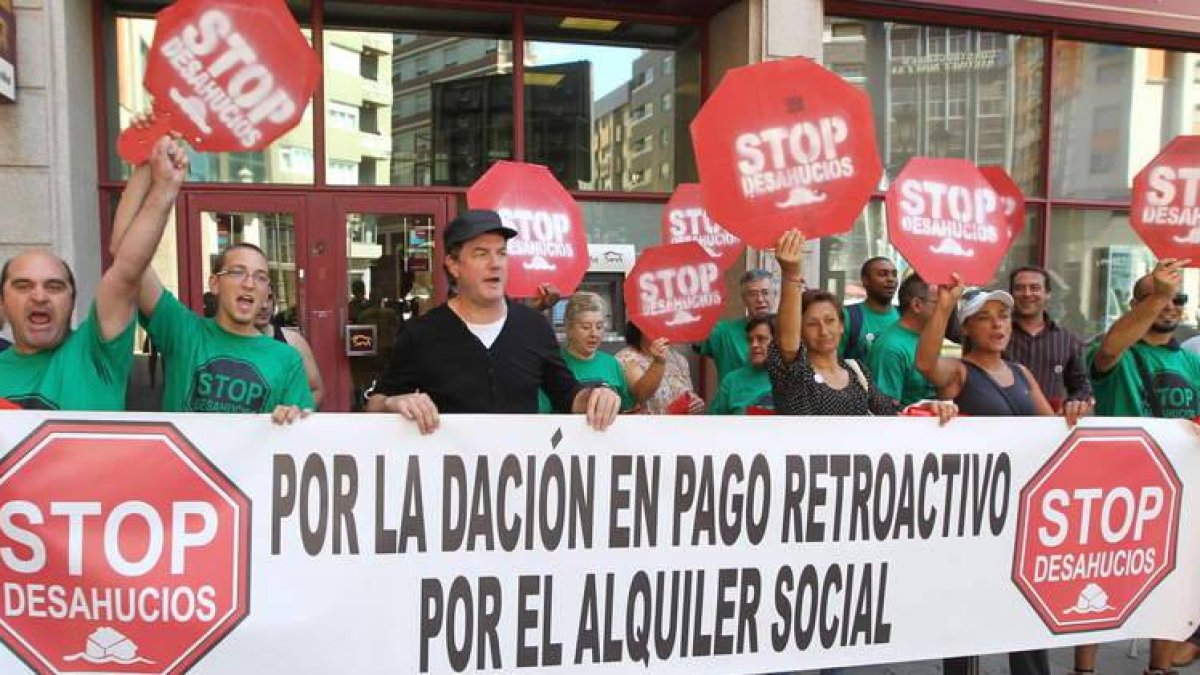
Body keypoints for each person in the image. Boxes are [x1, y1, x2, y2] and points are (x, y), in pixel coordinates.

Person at [916, 275, 1070, 675]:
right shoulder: (961, 373)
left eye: (1003, 316)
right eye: (985, 318)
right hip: (976, 514)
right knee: (969, 611)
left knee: (1027, 607)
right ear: (966, 328)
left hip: (1024, 510)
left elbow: (1052, 431)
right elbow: (926, 363)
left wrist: (1072, 415)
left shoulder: (1021, 372)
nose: (998, 325)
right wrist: (944, 306)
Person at [109, 125, 313, 424]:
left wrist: (294, 417)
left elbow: (303, 433)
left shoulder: (287, 359)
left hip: (248, 472)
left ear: (267, 292)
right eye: (238, 272)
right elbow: (124, 254)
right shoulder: (182, 331)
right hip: (184, 471)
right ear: (214, 283)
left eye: (259, 277)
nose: (249, 283)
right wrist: (147, 167)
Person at [365, 209, 621, 433]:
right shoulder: (422, 333)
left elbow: (567, 395)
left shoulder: (534, 327)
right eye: (481, 254)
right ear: (453, 265)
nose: (495, 264)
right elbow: (375, 405)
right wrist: (393, 403)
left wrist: (595, 396)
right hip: (449, 482)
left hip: (521, 479)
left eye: (501, 253)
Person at [0, 135, 184, 410]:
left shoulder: (97, 353)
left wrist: (163, 190)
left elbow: (127, 271)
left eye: (54, 286)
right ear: (2, 302)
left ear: (73, 300)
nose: (39, 296)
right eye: (24, 286)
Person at [1084, 259, 1200, 675]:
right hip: (1121, 487)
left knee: (1174, 581)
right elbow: (1111, 349)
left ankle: (1161, 667)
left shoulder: (1189, 360)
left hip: (1178, 489)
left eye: (1177, 299)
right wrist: (1158, 295)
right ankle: (1083, 669)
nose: (1169, 305)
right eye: (1157, 297)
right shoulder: (1117, 351)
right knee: (1097, 581)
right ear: (1136, 304)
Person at [769, 230, 956, 421]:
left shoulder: (857, 372)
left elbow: (891, 414)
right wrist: (791, 275)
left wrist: (926, 407)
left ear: (842, 326)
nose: (824, 331)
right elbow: (787, 343)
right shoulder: (795, 372)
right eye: (812, 324)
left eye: (830, 321)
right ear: (799, 330)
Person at [1006, 265, 1093, 416]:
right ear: (1011, 294)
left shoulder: (1067, 340)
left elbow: (1081, 386)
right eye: (1019, 288)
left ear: (1047, 294)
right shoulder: (995, 335)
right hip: (998, 425)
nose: (1027, 294)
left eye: (1034, 288)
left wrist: (1076, 403)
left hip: (1049, 429)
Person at [538, 292, 633, 412]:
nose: (594, 334)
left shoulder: (612, 364)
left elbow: (626, 408)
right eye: (586, 327)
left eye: (599, 327)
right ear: (569, 328)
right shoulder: (553, 365)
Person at [867, 273, 938, 405]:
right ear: (917, 305)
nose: (944, 310)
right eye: (939, 303)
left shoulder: (928, 338)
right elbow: (886, 410)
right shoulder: (890, 348)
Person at [697, 268, 774, 385]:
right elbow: (690, 333)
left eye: (765, 292)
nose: (760, 299)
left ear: (774, 295)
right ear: (744, 299)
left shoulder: (786, 334)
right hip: (733, 401)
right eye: (752, 294)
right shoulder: (725, 333)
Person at [255, 287, 325, 409]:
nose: (265, 305)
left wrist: (295, 414)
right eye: (256, 298)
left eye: (269, 298)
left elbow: (316, 390)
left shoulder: (293, 341)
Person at [616, 320, 704, 414]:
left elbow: (688, 393)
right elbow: (641, 394)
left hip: (679, 426)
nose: (663, 333)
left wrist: (695, 402)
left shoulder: (678, 358)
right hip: (646, 426)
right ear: (639, 329)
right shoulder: (626, 358)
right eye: (656, 328)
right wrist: (658, 361)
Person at [708, 314, 774, 415]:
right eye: (750, 340)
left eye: (761, 339)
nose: (754, 345)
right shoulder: (731, 382)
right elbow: (711, 425)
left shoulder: (791, 379)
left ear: (778, 341)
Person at [839, 256, 899, 362]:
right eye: (882, 274)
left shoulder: (904, 315)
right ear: (865, 280)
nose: (891, 279)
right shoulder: (848, 316)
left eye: (894, 274)